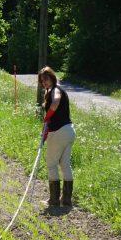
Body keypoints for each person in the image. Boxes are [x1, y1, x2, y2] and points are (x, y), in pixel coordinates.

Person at [39, 66, 75, 208]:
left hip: (59, 132)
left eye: (46, 79)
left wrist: (47, 117)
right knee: (65, 164)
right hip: (69, 131)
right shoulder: (54, 90)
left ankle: (54, 201)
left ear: (52, 77)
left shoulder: (56, 90)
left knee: (51, 164)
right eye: (42, 81)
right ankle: (66, 200)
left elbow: (55, 103)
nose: (44, 83)